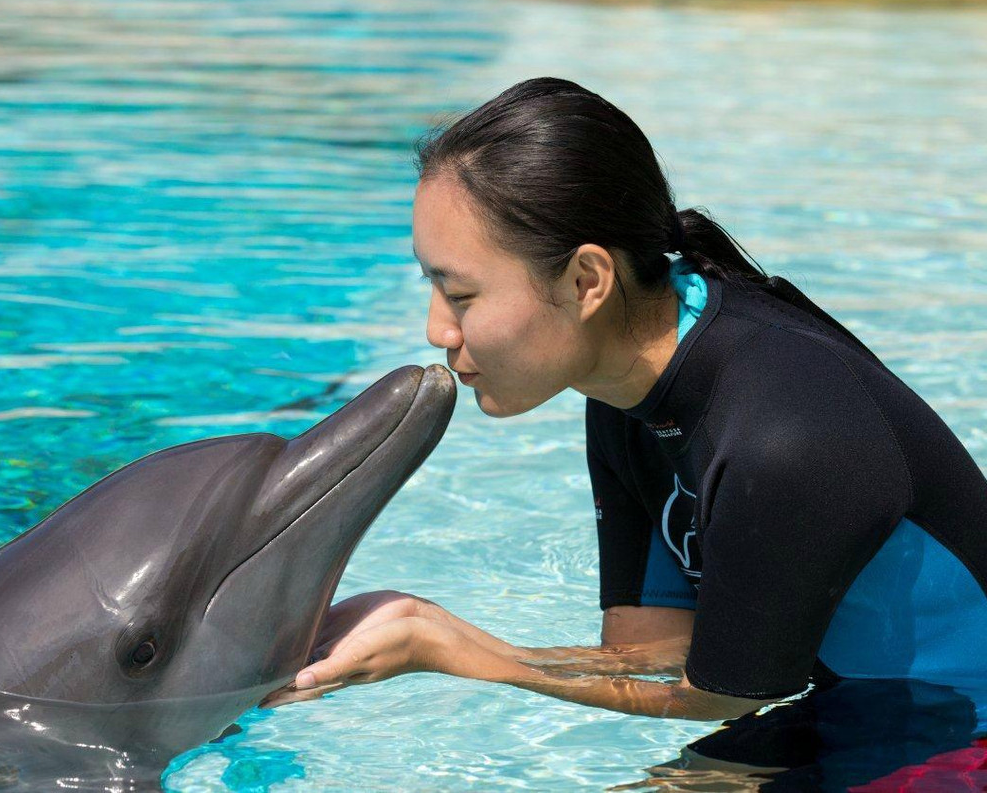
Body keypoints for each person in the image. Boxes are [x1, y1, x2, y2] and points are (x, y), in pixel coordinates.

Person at [263, 77, 987, 723]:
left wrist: (457, 651)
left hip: (955, 726)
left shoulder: (784, 436)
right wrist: (418, 627)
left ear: (587, 281)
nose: (436, 329)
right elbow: (654, 653)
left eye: (460, 293)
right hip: (853, 715)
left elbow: (725, 698)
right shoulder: (625, 392)